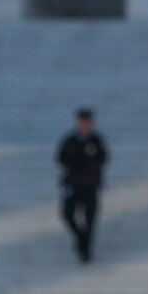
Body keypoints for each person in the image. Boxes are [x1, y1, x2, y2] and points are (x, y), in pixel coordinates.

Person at [56, 108, 109, 264]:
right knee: (68, 213)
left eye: (88, 122)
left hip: (90, 185)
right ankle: (80, 238)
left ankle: (85, 250)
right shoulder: (70, 141)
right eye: (83, 121)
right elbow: (61, 158)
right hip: (73, 184)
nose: (86, 125)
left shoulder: (96, 141)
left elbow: (103, 159)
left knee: (90, 219)